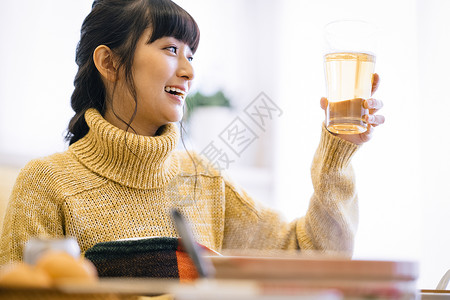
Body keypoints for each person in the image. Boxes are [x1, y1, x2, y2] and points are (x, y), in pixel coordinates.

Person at [0, 0, 384, 265]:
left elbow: (311, 257)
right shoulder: (46, 185)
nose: (189, 71)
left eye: (191, 54)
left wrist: (339, 151)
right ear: (109, 61)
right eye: (170, 49)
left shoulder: (202, 179)